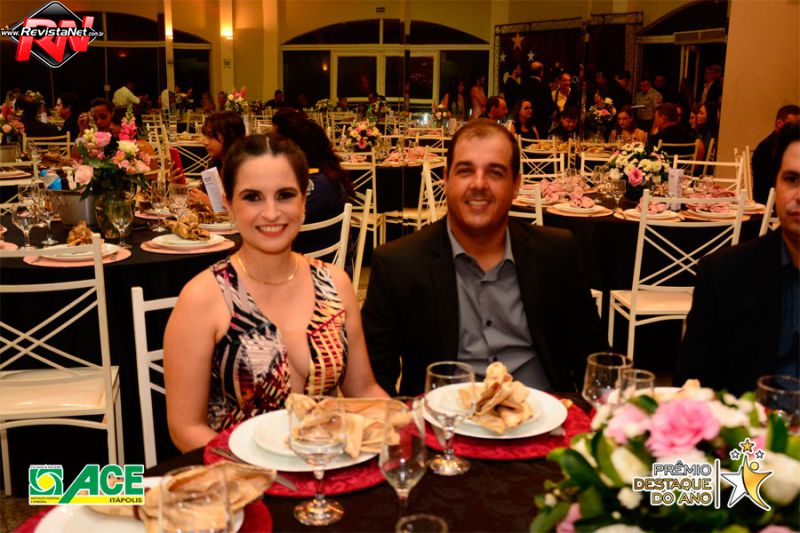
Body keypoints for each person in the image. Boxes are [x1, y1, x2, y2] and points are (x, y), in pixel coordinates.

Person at [164, 133, 387, 451]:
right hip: (239, 472)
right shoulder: (203, 298)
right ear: (228, 203)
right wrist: (259, 469)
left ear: (303, 201)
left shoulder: (335, 284)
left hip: (324, 464)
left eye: (285, 195)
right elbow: (185, 428)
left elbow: (363, 391)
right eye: (252, 197)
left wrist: (412, 424)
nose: (271, 213)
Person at [362, 120, 607, 395]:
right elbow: (372, 381)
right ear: (446, 179)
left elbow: (594, 360)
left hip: (543, 410)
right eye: (465, 171)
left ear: (516, 184)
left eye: (495, 173)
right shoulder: (398, 264)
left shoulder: (555, 252)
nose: (479, 184)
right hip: (443, 416)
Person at [675, 123, 800, 394]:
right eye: (792, 179)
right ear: (776, 185)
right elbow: (693, 388)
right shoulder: (725, 275)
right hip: (751, 420)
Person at [271, 108, 355, 272]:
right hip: (315, 265)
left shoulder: (317, 184)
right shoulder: (324, 175)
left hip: (318, 273)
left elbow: (279, 221)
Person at [187, 111, 247, 207]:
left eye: (211, 137)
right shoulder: (215, 165)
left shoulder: (244, 169)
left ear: (229, 136)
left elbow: (246, 209)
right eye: (205, 136)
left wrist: (211, 203)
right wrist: (178, 184)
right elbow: (207, 199)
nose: (205, 142)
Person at [752, 105, 800, 203]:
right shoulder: (766, 148)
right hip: (770, 204)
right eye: (793, 125)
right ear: (779, 123)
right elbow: (767, 187)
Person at [524, 61, 555, 138]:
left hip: (526, 122)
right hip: (542, 123)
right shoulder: (544, 87)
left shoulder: (523, 85)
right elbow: (549, 106)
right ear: (541, 72)